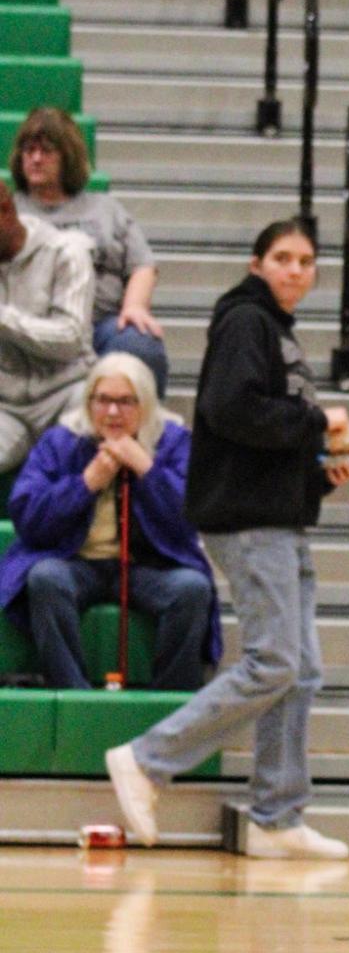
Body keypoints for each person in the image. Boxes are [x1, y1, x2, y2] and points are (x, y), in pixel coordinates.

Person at [103, 219, 349, 860]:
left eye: (306, 260)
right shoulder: (246, 321)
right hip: (249, 524)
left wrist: (317, 473)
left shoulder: (276, 331)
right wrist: (316, 419)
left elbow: (261, 436)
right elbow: (231, 410)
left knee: (300, 671)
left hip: (278, 517)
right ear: (257, 263)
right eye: (283, 257)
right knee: (275, 661)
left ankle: (277, 817)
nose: (296, 269)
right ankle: (146, 759)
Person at [0, 354, 218, 691]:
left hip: (147, 567)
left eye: (125, 401)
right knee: (45, 578)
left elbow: (189, 518)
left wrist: (147, 469)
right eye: (103, 400)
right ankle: (73, 693)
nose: (113, 412)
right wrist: (86, 483)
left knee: (191, 589)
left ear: (145, 404)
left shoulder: (172, 442)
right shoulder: (61, 441)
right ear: (89, 402)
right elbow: (28, 516)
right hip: (77, 563)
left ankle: (168, 704)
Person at [10, 107, 167, 392]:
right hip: (32, 328)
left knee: (140, 345)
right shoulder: (9, 212)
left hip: (99, 326)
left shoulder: (105, 209)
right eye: (28, 150)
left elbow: (143, 266)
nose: (35, 158)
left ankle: (138, 435)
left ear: (67, 157)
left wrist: (133, 307)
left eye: (46, 151)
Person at [0, 181, 94, 474]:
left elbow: (70, 339)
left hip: (66, 392)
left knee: (98, 425)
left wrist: (3, 319)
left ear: (5, 212)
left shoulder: (66, 253)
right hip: (6, 407)